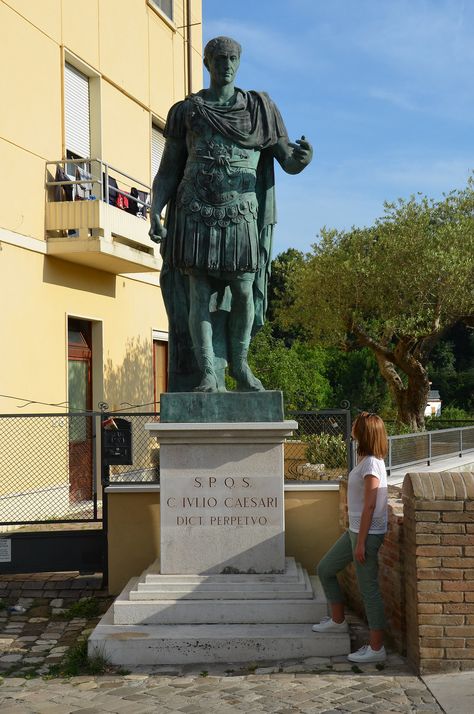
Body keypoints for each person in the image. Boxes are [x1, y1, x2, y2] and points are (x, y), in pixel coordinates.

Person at [149, 36, 312, 393]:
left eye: (233, 58)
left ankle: (239, 365)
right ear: (207, 62)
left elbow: (287, 160)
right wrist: (155, 211)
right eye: (220, 58)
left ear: (240, 62)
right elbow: (169, 169)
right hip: (195, 211)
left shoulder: (259, 109)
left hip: (240, 212)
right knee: (198, 294)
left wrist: (302, 160)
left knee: (243, 290)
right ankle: (208, 372)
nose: (227, 64)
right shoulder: (187, 111)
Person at [312, 412, 389, 663]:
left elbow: (370, 505)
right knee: (325, 568)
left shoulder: (372, 465)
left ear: (365, 431)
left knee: (369, 590)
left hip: (366, 534)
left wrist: (362, 542)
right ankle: (337, 620)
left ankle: (376, 649)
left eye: (356, 423)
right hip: (355, 531)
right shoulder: (364, 459)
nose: (352, 426)